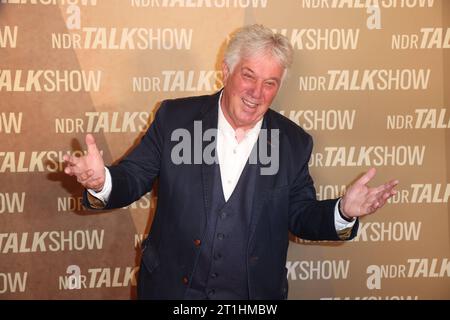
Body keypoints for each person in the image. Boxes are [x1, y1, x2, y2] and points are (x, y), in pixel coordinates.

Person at [63, 24, 398, 300]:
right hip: (171, 292)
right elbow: (133, 177)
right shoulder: (176, 120)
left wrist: (343, 211)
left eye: (270, 83)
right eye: (249, 76)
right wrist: (102, 180)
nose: (257, 92)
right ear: (226, 71)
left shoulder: (293, 142)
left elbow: (300, 214)